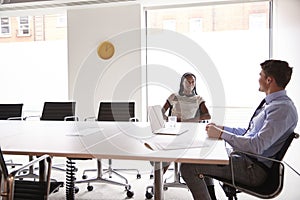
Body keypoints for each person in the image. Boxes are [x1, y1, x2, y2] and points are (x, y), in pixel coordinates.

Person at [180, 59, 298, 200]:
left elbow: (257, 146)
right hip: (246, 160)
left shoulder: (282, 109)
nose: (258, 79)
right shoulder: (272, 104)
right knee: (204, 155)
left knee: (187, 167)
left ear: (268, 80)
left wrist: (222, 134)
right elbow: (250, 133)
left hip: (253, 169)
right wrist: (222, 129)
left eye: (260, 75)